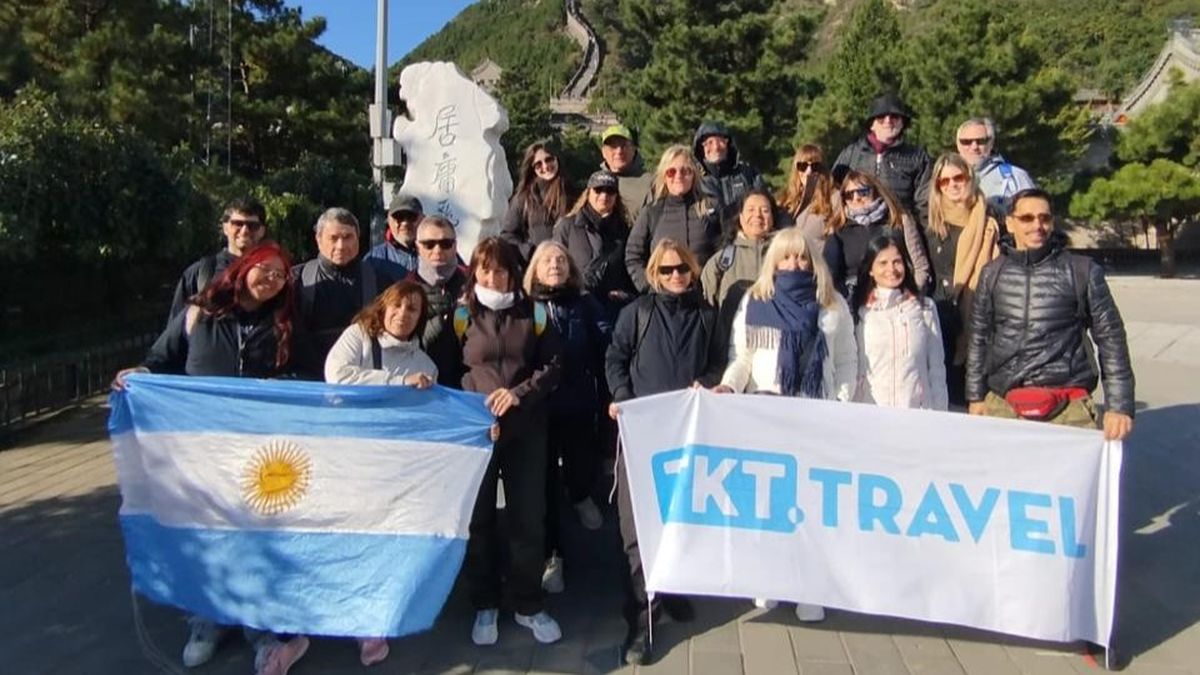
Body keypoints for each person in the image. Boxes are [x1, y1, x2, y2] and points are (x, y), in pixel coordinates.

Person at [113, 241, 310, 675]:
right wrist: (140, 376)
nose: (272, 281)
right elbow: (160, 360)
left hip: (258, 451)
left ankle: (261, 630)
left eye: (281, 276)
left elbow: (306, 374)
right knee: (207, 535)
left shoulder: (285, 324)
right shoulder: (198, 314)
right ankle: (207, 622)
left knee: (256, 537)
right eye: (266, 271)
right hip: (201, 448)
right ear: (244, 270)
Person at [714, 227, 855, 620]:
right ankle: (769, 578)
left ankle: (811, 586)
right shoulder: (755, 300)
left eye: (803, 257)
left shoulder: (832, 303)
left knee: (811, 506)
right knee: (769, 504)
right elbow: (741, 358)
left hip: (814, 414)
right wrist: (729, 387)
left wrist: (841, 406)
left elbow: (846, 362)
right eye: (787, 257)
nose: (795, 264)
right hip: (766, 415)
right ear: (773, 262)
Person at [606, 239, 724, 666]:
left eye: (683, 270)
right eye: (667, 270)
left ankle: (671, 589)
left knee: (679, 521)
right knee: (637, 529)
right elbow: (615, 360)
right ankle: (642, 620)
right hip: (641, 436)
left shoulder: (707, 317)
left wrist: (707, 381)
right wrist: (621, 396)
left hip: (686, 437)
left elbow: (717, 362)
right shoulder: (636, 314)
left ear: (693, 273)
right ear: (654, 274)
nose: (676, 277)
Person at [457, 237, 564, 647]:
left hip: (527, 430)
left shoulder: (534, 312)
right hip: (477, 433)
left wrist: (519, 395)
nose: (493, 276)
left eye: (501, 270)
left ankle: (528, 603)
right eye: (485, 269)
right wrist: (475, 411)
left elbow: (554, 366)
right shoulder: (462, 314)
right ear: (475, 272)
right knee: (479, 520)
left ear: (513, 273)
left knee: (527, 519)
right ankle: (485, 602)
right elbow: (448, 369)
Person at [966, 189, 1134, 442]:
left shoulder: (1083, 271)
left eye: (1044, 218)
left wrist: (1119, 406)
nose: (1037, 225)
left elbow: (1111, 338)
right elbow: (979, 337)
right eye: (1027, 218)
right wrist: (976, 396)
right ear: (1010, 223)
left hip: (1069, 408)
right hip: (1004, 406)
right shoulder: (991, 274)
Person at [524, 241, 611, 595]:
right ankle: (552, 557)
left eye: (561, 259)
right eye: (547, 260)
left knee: (581, 461)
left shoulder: (584, 303)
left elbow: (606, 341)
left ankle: (580, 494)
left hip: (578, 402)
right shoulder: (525, 306)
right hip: (539, 408)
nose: (555, 265)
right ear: (535, 269)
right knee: (543, 484)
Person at [926, 153, 1000, 405]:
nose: (952, 185)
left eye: (958, 177)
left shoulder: (991, 222)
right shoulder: (931, 225)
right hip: (942, 321)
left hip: (983, 319)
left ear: (970, 178)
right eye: (944, 182)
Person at [852, 232, 948, 410]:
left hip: (916, 412)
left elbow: (936, 367)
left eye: (897, 262)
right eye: (883, 263)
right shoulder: (860, 312)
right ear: (870, 269)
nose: (892, 269)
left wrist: (940, 412)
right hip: (871, 412)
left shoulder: (924, 308)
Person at [293, 208, 380, 378]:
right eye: (333, 238)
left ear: (358, 238)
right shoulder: (297, 280)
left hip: (361, 377)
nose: (341, 246)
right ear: (318, 239)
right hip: (309, 377)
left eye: (348, 237)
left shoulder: (379, 279)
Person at [625, 145, 721, 293]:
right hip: (663, 301)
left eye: (685, 171)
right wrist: (649, 288)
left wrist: (716, 286)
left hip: (704, 298)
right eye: (671, 172)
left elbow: (725, 251)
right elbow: (633, 254)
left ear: (694, 174)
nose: (678, 176)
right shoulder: (652, 212)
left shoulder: (711, 208)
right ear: (664, 176)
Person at [823, 171, 930, 299]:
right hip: (854, 301)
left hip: (900, 298)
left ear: (875, 191)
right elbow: (831, 275)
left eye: (863, 192)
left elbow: (920, 266)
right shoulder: (838, 230)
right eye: (849, 195)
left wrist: (912, 296)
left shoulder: (899, 221)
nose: (856, 198)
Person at [832, 92, 932, 226]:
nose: (888, 121)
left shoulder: (917, 157)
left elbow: (924, 204)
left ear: (902, 122)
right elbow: (834, 192)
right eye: (881, 117)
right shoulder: (851, 154)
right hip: (857, 230)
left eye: (894, 116)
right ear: (871, 124)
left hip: (899, 230)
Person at [167, 197, 267, 323]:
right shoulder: (201, 273)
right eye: (237, 224)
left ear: (262, 231)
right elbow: (176, 330)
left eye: (252, 226)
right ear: (225, 228)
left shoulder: (273, 275)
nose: (244, 230)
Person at [700, 188, 777, 349]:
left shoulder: (785, 258)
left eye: (764, 210)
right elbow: (706, 308)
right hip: (730, 350)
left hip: (773, 349)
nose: (758, 215)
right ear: (740, 218)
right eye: (751, 210)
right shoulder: (721, 261)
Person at [553, 170, 636, 319]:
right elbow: (555, 266)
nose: (604, 196)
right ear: (588, 193)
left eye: (610, 191)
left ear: (616, 196)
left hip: (613, 311)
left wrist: (626, 294)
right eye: (598, 190)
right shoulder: (567, 226)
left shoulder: (625, 231)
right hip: (576, 307)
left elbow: (631, 269)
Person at [325, 280, 438, 388]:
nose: (402, 314)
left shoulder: (426, 368)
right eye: (396, 305)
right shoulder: (358, 335)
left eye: (411, 309)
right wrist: (401, 382)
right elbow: (337, 376)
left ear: (420, 317)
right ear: (384, 309)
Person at [407, 215, 469, 388]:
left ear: (455, 246)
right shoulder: (405, 288)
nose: (437, 250)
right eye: (429, 244)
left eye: (446, 243)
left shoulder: (473, 282)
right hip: (424, 387)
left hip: (469, 386)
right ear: (418, 246)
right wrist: (439, 323)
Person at [502, 140, 570, 262]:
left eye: (549, 159)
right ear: (532, 169)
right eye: (538, 164)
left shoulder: (573, 194)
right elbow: (507, 235)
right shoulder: (523, 198)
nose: (545, 166)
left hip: (568, 266)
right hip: (537, 267)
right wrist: (529, 252)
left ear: (556, 159)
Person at [692, 121, 767, 231]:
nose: (716, 147)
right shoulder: (694, 180)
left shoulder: (748, 173)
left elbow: (766, 204)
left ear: (729, 144)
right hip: (710, 244)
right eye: (709, 142)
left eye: (721, 141)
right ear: (700, 148)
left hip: (745, 239)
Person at [955, 117, 1036, 215]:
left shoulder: (1015, 176)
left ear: (991, 143)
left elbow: (1034, 215)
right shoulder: (945, 180)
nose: (974, 147)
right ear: (958, 145)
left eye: (981, 141)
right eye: (967, 142)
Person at [777, 144, 839, 256]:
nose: (808, 171)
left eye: (815, 166)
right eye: (803, 166)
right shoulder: (783, 200)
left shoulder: (833, 198)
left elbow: (836, 241)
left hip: (817, 265)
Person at [599, 124, 654, 221]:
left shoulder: (650, 182)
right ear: (603, 152)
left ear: (633, 149)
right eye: (613, 146)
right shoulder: (596, 182)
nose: (619, 151)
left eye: (624, 145)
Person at [364, 193, 423, 284]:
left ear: (422, 219)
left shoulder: (438, 251)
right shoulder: (374, 259)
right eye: (399, 217)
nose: (405, 223)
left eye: (411, 217)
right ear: (388, 220)